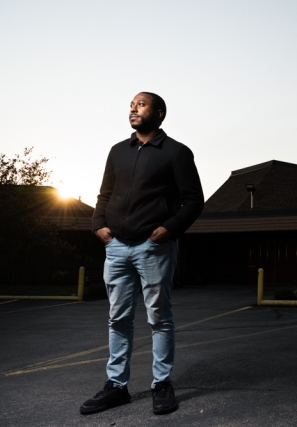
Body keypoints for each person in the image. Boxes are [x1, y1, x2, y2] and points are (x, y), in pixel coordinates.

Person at [81, 92, 204, 415]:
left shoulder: (176, 152)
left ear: (159, 113)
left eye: (142, 104)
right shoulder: (118, 151)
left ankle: (161, 384)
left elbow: (193, 200)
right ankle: (116, 387)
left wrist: (169, 229)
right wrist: (98, 225)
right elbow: (105, 193)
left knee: (159, 317)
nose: (134, 108)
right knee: (117, 318)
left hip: (154, 246)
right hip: (117, 246)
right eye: (131, 105)